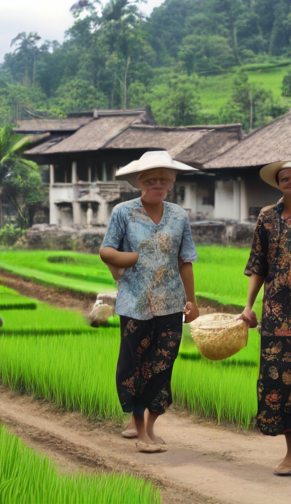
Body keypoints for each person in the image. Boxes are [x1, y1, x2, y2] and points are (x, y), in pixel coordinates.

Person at [100, 151, 199, 453]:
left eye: (164, 180)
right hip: (135, 304)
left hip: (171, 303)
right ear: (140, 182)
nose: (158, 184)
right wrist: (123, 259)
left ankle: (150, 427)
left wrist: (192, 301)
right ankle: (140, 430)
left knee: (162, 366)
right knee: (134, 366)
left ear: (172, 183)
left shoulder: (179, 216)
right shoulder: (123, 212)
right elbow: (107, 249)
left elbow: (185, 260)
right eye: (151, 179)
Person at [238, 161, 291, 476]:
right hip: (275, 315)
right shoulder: (266, 217)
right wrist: (249, 306)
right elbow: (258, 264)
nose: (290, 181)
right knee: (277, 379)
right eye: (284, 178)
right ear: (279, 184)